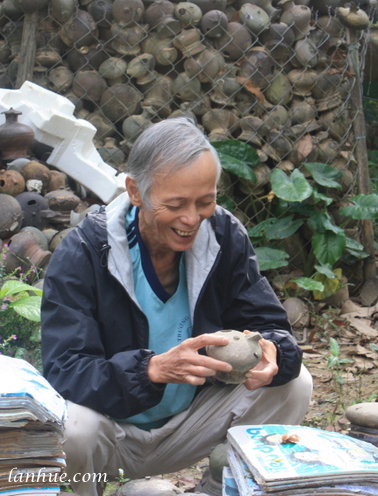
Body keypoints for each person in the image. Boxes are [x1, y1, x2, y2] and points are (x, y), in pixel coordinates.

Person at [41, 118, 313, 496]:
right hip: (111, 434)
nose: (191, 219)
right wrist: (150, 370)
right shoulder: (86, 252)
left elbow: (267, 322)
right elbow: (65, 370)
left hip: (191, 422)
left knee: (292, 385)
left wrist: (272, 350)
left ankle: (226, 485)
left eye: (205, 201)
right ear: (136, 192)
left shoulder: (223, 234)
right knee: (73, 428)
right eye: (175, 204)